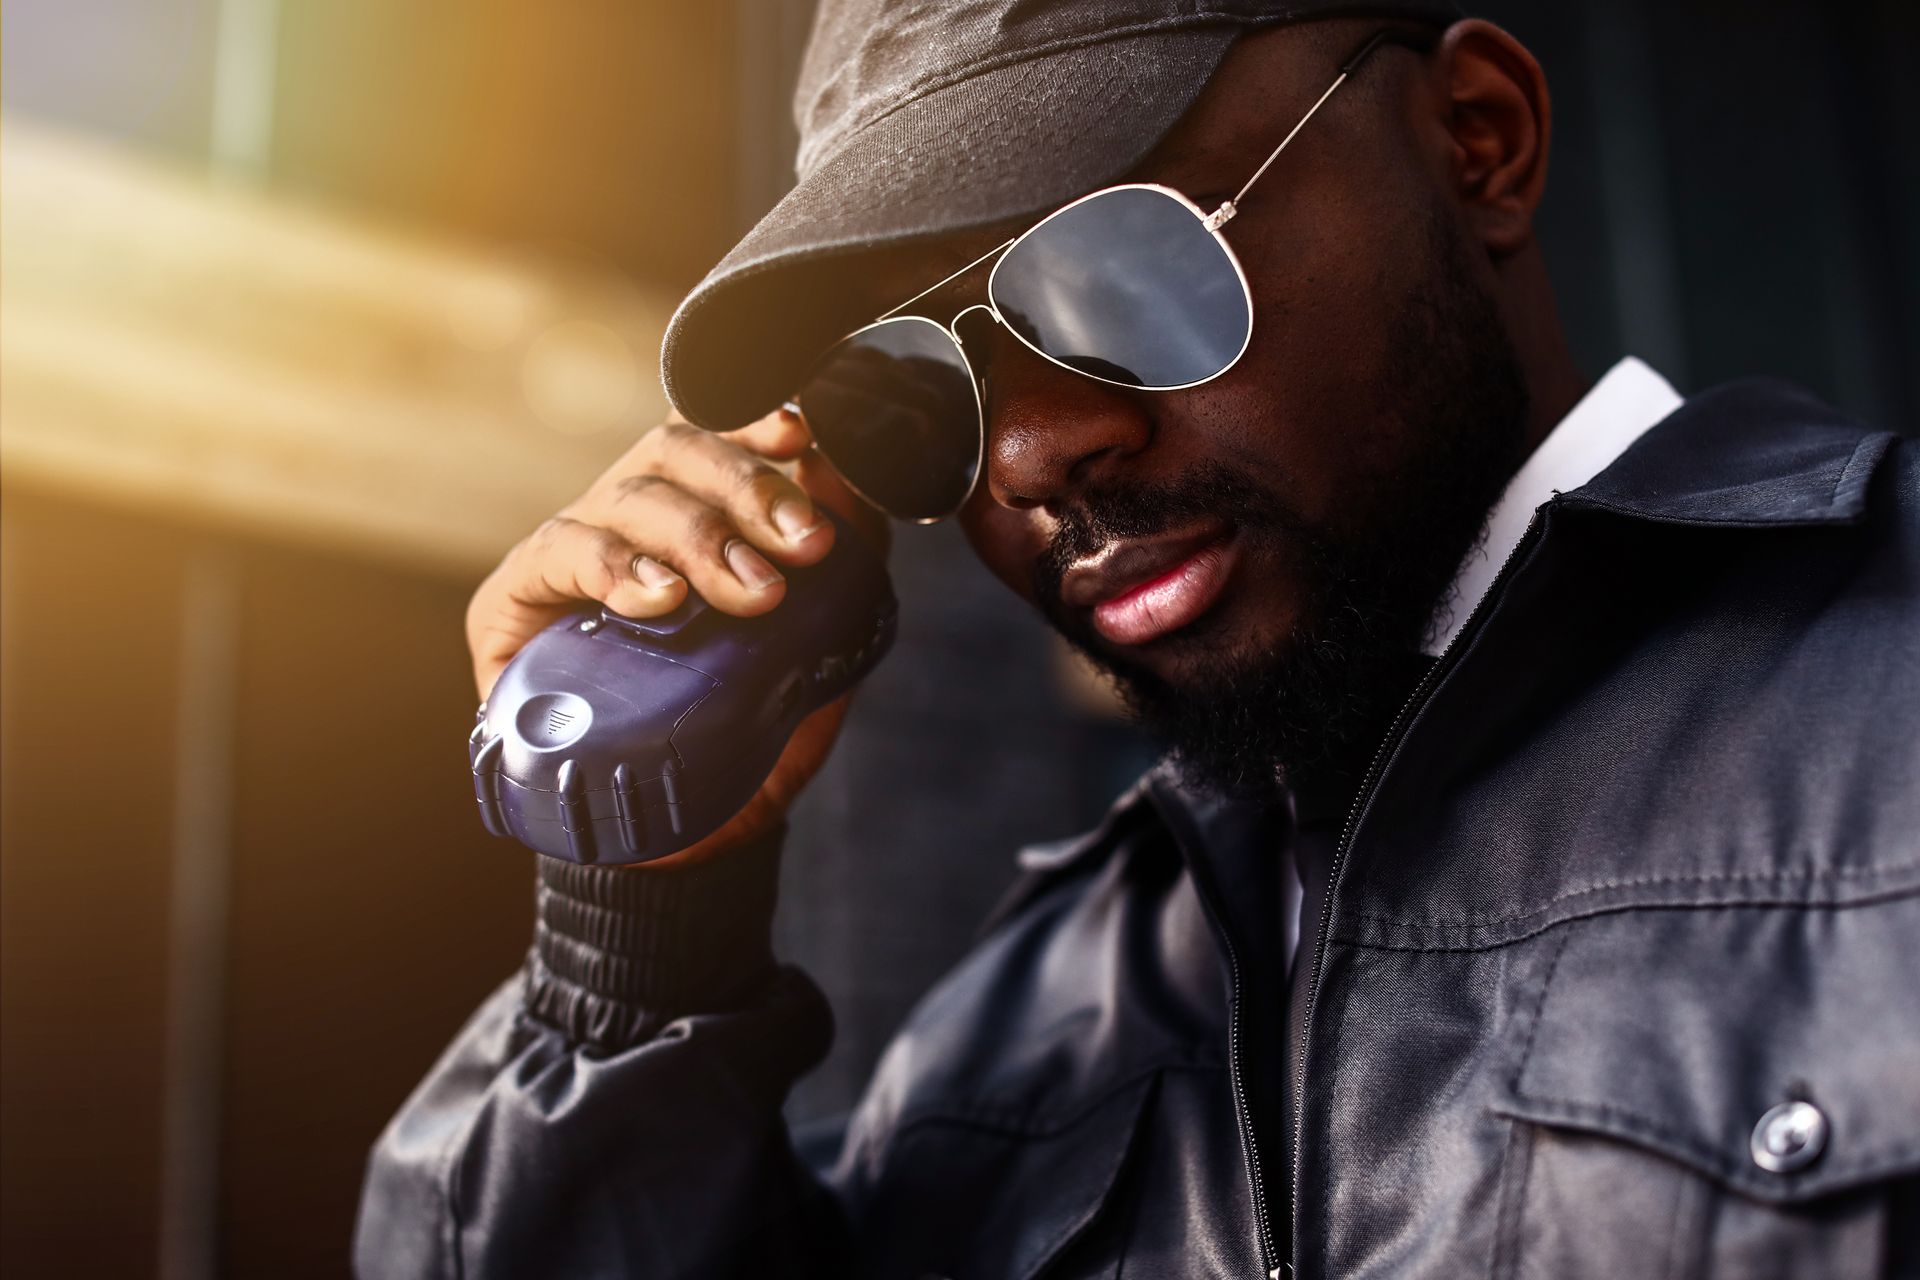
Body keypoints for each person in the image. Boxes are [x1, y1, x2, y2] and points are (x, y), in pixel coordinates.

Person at [354, 1, 1920, 1276]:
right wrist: (642, 945)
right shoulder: (1006, 1058)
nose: (1034, 455)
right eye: (916, 390)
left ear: (1478, 141)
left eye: (1122, 270)